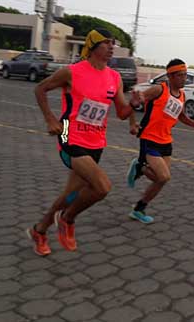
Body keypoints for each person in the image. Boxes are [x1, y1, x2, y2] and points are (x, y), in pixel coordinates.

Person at [26, 28, 140, 256]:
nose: (111, 47)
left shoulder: (114, 77)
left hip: (96, 140)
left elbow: (122, 112)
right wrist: (50, 119)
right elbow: (40, 89)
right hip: (69, 132)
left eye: (113, 43)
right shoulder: (71, 72)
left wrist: (134, 105)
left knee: (70, 194)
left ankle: (40, 230)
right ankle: (67, 218)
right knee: (102, 186)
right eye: (106, 43)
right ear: (93, 45)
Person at [126, 59, 194, 224]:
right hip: (149, 139)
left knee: (160, 180)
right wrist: (133, 122)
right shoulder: (159, 90)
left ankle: (138, 209)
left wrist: (193, 123)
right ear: (170, 76)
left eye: (185, 75)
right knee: (164, 177)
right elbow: (133, 103)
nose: (184, 79)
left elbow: (181, 116)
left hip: (166, 141)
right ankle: (139, 166)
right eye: (180, 75)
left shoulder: (182, 95)